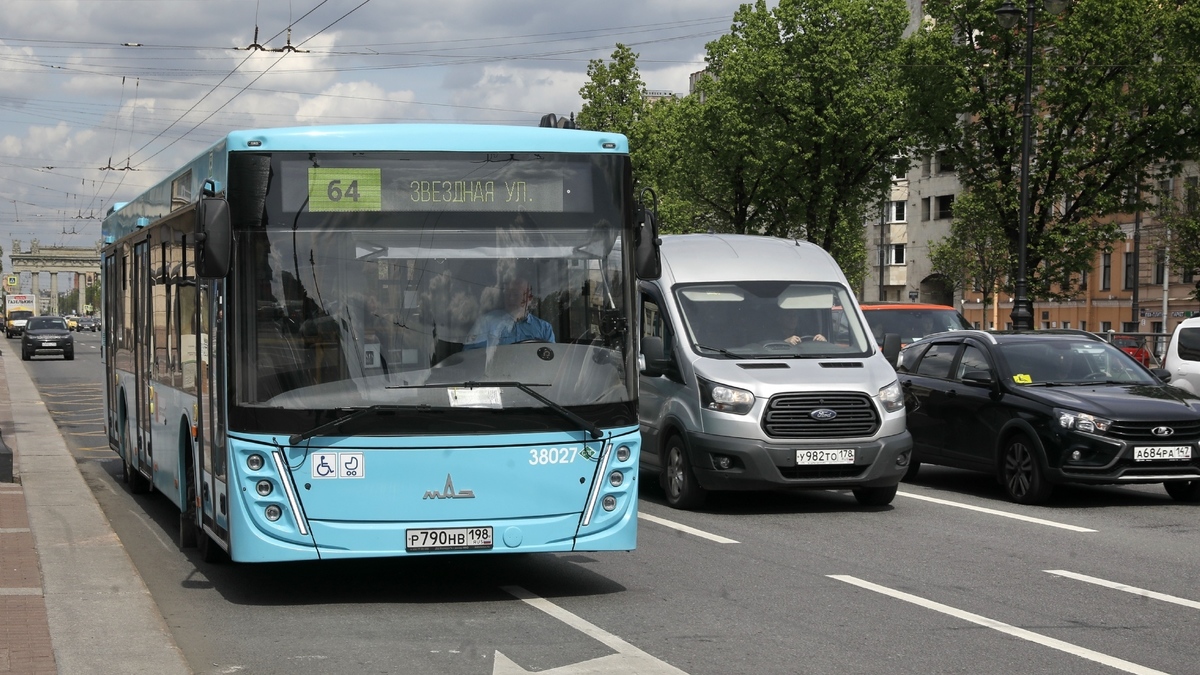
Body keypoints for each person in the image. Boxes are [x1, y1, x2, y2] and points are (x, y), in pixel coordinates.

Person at [464, 276, 555, 348]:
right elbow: (472, 355)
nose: (511, 299)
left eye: (516, 295)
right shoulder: (486, 322)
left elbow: (551, 360)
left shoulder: (544, 329)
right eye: (508, 294)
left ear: (529, 299)